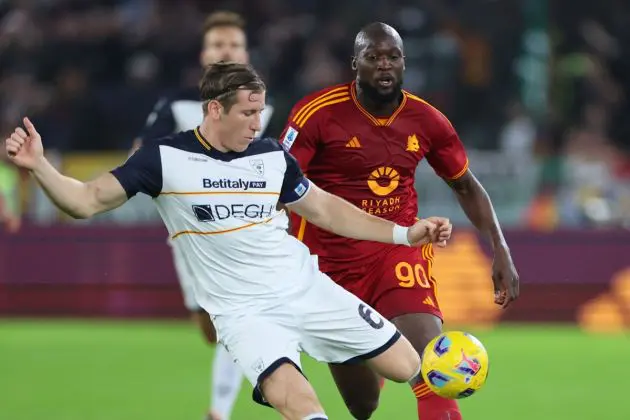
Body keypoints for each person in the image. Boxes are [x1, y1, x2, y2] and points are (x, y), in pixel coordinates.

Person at [5, 62, 454, 420]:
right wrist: (40, 166)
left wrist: (404, 233)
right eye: (248, 113)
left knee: (409, 367)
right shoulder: (164, 160)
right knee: (303, 408)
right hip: (244, 315)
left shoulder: (272, 156)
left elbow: (326, 209)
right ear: (214, 110)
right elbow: (84, 201)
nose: (258, 123)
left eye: (261, 112)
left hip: (307, 290)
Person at [280, 22, 520, 420]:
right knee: (362, 405)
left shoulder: (427, 120)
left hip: (399, 250)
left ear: (404, 63)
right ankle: (377, 349)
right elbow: (281, 184)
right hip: (329, 265)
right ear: (355, 63)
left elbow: (466, 186)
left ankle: (401, 357)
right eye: (373, 58)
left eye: (392, 57)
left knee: (433, 366)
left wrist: (501, 248)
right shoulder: (317, 113)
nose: (384, 65)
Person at [130, 11, 273, 420]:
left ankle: (219, 411)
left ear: (246, 53)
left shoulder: (269, 105)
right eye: (217, 44)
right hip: (190, 234)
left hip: (247, 231)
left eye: (233, 44)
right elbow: (142, 155)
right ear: (204, 53)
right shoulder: (177, 104)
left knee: (236, 316)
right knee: (211, 328)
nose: (225, 50)